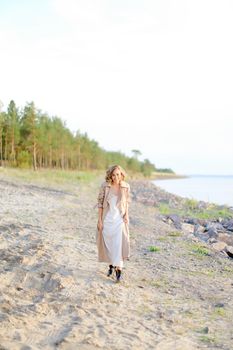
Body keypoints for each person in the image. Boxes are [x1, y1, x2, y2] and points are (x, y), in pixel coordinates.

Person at [96, 165, 130, 282]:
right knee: (109, 244)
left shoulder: (126, 186)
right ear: (110, 175)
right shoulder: (105, 186)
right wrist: (99, 220)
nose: (116, 177)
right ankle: (111, 265)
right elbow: (100, 204)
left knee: (118, 245)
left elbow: (127, 203)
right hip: (107, 219)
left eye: (118, 174)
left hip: (119, 220)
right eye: (114, 175)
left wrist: (126, 215)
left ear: (121, 175)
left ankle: (118, 271)